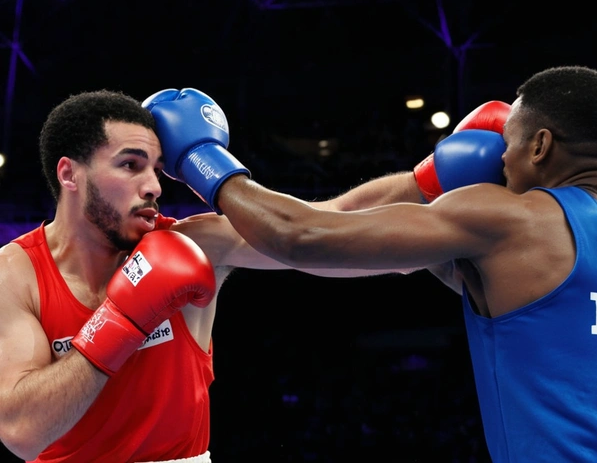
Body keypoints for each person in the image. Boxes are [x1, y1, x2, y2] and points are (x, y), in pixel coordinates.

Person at [146, 65, 597, 462]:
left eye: (509, 143)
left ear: (540, 146)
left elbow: (302, 235)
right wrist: (428, 180)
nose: (500, 159)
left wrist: (200, 157)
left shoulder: (509, 221)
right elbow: (370, 231)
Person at [0, 88, 491, 462]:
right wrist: (121, 320)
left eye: (156, 167)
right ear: (70, 175)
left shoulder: (196, 242)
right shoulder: (15, 274)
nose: (153, 185)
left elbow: (327, 223)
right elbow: (22, 432)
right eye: (130, 165)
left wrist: (427, 179)